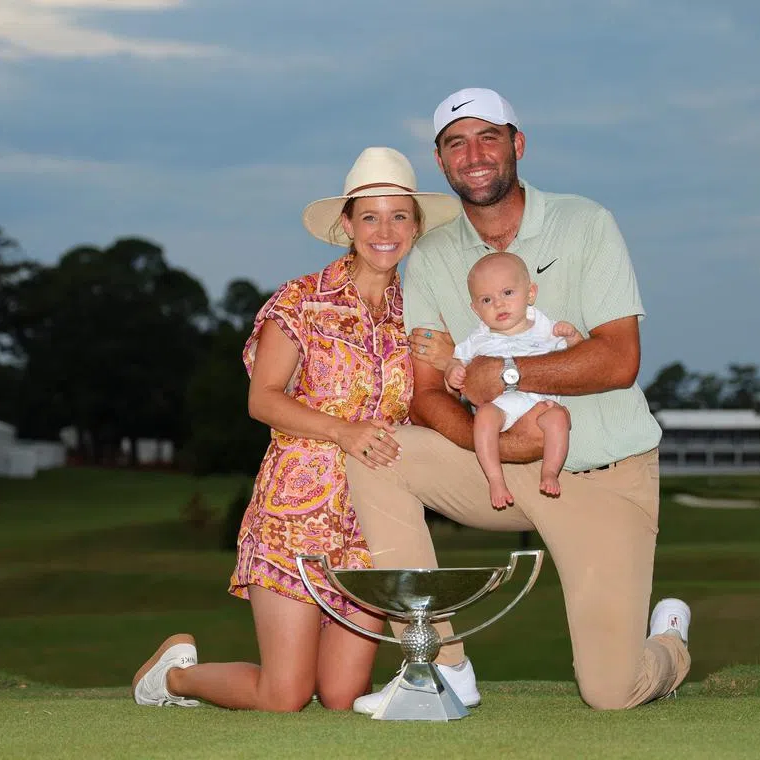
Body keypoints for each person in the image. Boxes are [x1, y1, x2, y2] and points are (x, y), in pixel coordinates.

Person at [348, 88, 692, 714]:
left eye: (488, 137)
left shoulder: (585, 223)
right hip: (496, 468)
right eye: (456, 143)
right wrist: (500, 447)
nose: (473, 154)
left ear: (517, 145)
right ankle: (441, 668)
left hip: (601, 474)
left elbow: (619, 359)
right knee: (379, 452)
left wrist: (504, 372)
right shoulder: (430, 256)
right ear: (441, 160)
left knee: (611, 692)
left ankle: (668, 640)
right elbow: (427, 393)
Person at [131, 146, 472, 712]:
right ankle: (173, 678)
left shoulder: (420, 314)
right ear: (347, 225)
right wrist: (343, 430)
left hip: (373, 526)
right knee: (285, 695)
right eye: (369, 215)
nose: (384, 230)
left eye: (398, 216)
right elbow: (261, 399)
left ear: (415, 227)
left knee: (341, 697)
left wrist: (457, 367)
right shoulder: (300, 300)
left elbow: (423, 411)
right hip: (294, 517)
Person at [445, 251, 581, 507]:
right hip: (502, 407)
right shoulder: (478, 339)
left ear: (530, 293)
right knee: (483, 417)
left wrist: (572, 336)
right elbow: (456, 361)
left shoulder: (545, 329)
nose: (499, 304)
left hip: (541, 403)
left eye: (507, 293)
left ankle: (550, 471)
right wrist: (453, 371)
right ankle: (495, 479)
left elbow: (576, 359)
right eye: (487, 299)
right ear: (475, 309)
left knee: (558, 419)